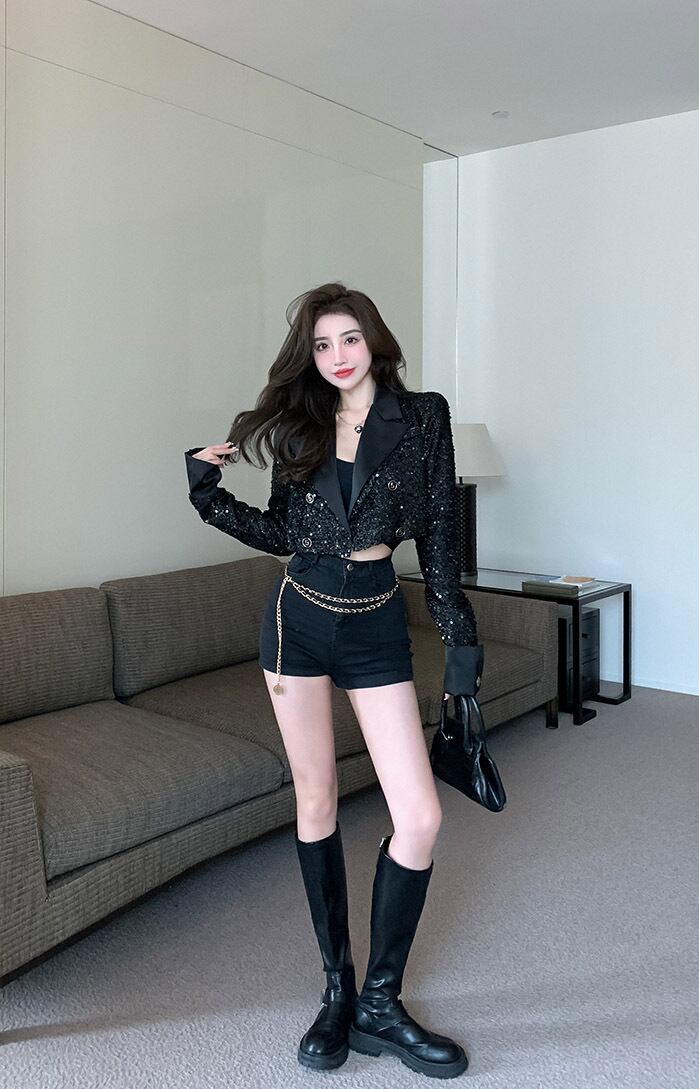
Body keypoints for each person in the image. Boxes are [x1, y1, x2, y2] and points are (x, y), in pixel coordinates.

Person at [184, 282, 484, 1079]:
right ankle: (337, 989)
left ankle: (381, 1002)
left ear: (374, 340)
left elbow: (442, 541)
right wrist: (207, 495)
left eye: (349, 338)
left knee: (420, 814)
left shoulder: (424, 417)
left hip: (378, 620)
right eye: (322, 344)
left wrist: (461, 649)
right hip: (299, 621)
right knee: (315, 800)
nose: (337, 355)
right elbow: (284, 530)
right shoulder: (302, 426)